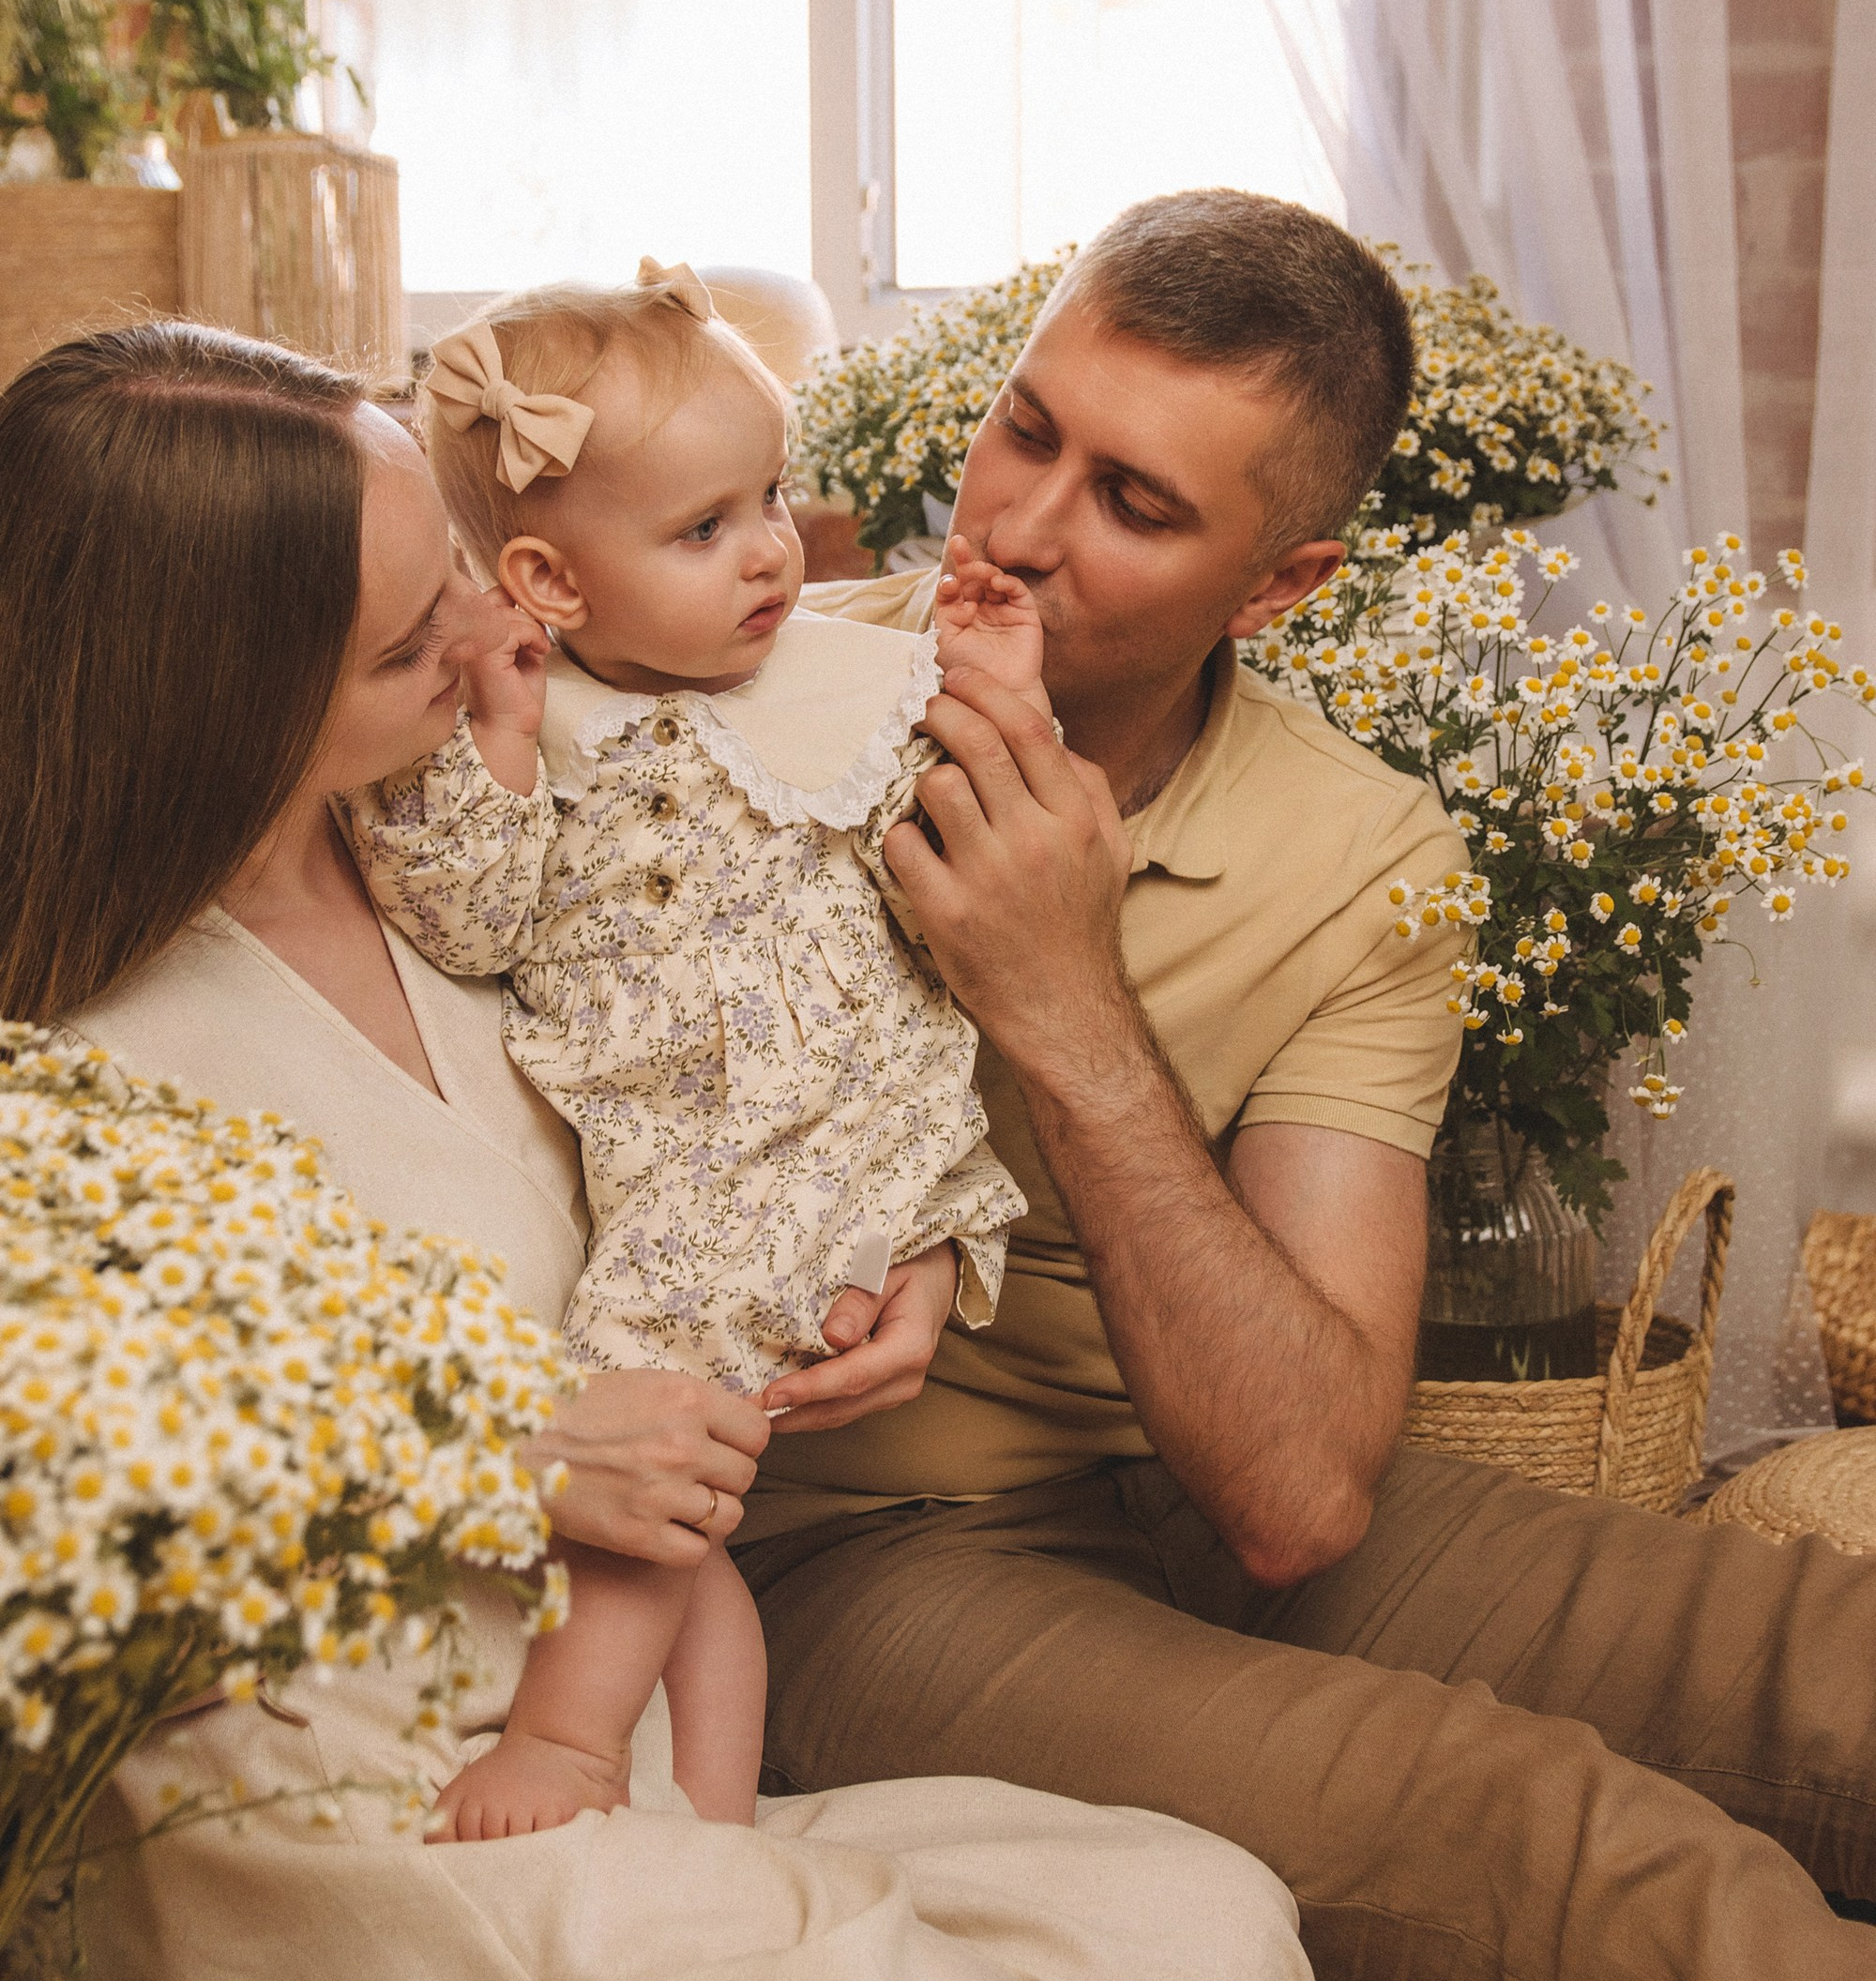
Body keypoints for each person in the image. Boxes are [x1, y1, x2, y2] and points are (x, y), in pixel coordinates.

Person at [0, 318, 1310, 1981]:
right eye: (419, 638)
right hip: (323, 1795)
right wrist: (499, 1457)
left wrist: (876, 1234)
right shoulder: (76, 1057)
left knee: (1200, 1909)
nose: (498, 630)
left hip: (609, 1722)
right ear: (233, 702)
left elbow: (736, 1072)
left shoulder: (481, 839)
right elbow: (55, 1492)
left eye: (466, 573)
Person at [734, 189, 1876, 1981]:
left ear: (1279, 584)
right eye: (1028, 428)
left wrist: (1068, 994)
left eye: (1136, 503)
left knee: (1830, 1671)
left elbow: (1296, 1491)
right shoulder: (738, 710)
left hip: (1206, 1485)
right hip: (858, 1555)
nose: (1019, 530)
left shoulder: (1363, 854)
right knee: (1573, 1852)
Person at [343, 264, 1048, 1836]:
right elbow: (471, 926)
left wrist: (1000, 692)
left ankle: (569, 1744)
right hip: (713, 1166)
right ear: (554, 583)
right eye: (705, 528)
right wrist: (508, 746)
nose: (774, 553)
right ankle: (714, 1821)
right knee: (693, 1522)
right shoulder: (532, 728)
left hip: (801, 1145)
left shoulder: (851, 691)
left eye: (774, 497)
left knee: (649, 1461)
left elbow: (979, 884)